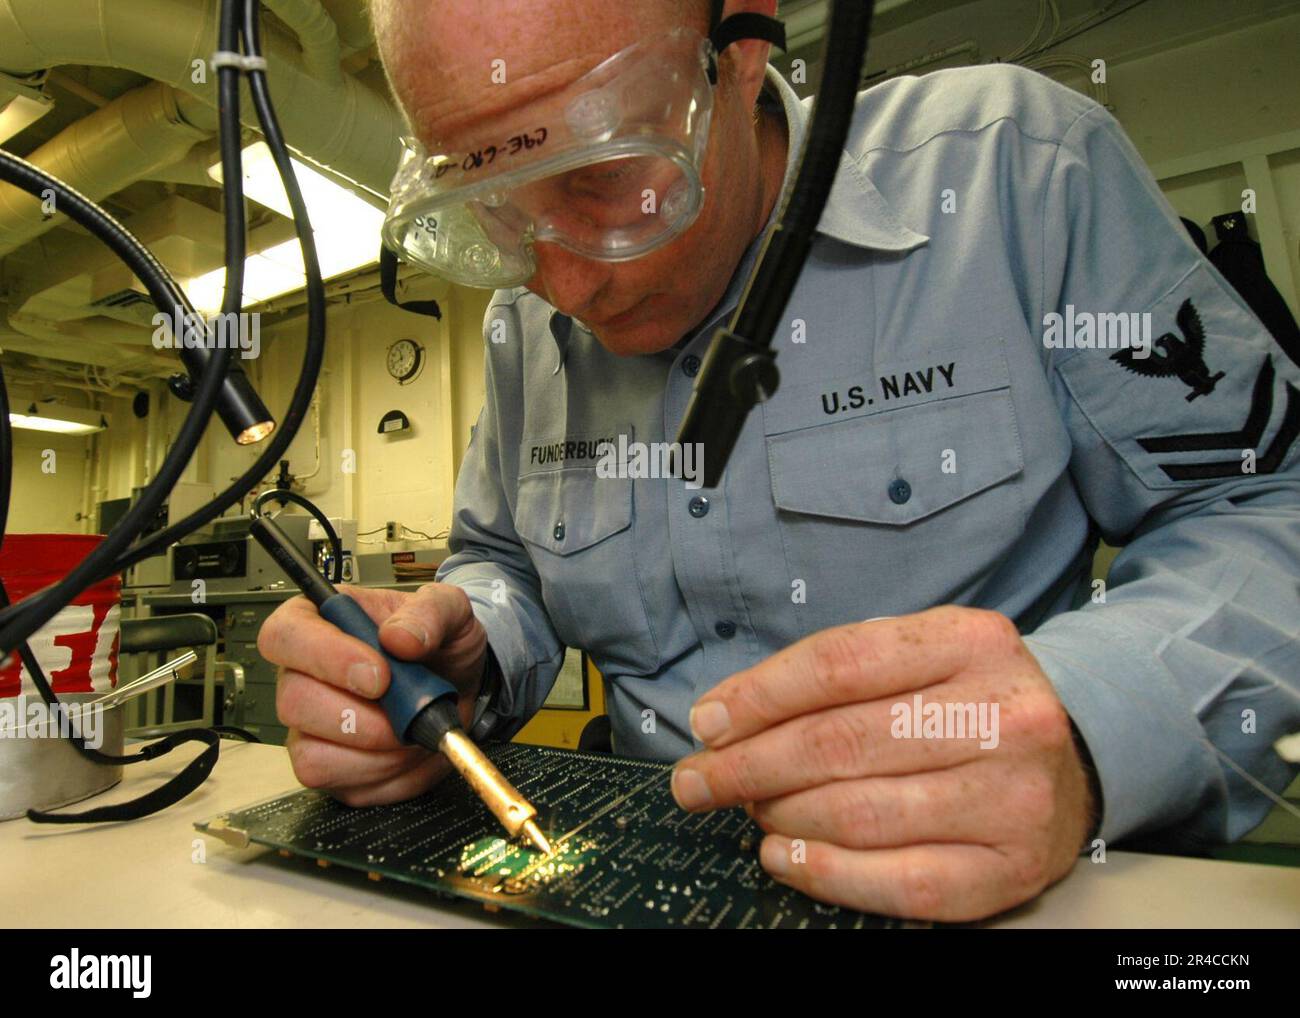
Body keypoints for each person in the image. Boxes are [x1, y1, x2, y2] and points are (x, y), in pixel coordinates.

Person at [258, 0, 1300, 921]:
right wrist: (464, 644)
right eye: (492, 204)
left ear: (741, 45)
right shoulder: (519, 327)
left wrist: (1084, 724)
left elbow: (1268, 505)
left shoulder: (1015, 170)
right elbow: (505, 562)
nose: (563, 282)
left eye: (605, 176)